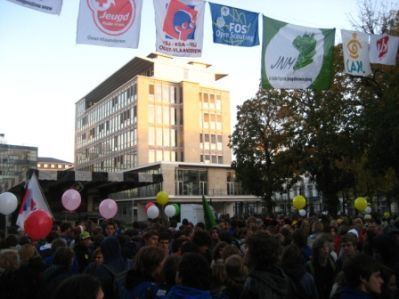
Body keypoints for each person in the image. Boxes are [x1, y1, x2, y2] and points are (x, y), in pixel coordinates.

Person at [241, 232, 293, 299]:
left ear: (255, 254)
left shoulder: (252, 283)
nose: (245, 251)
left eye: (248, 248)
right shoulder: (281, 276)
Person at [307, 234, 337, 299]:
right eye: (322, 248)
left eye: (327, 247)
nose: (326, 250)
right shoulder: (310, 266)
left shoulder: (331, 263)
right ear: (317, 250)